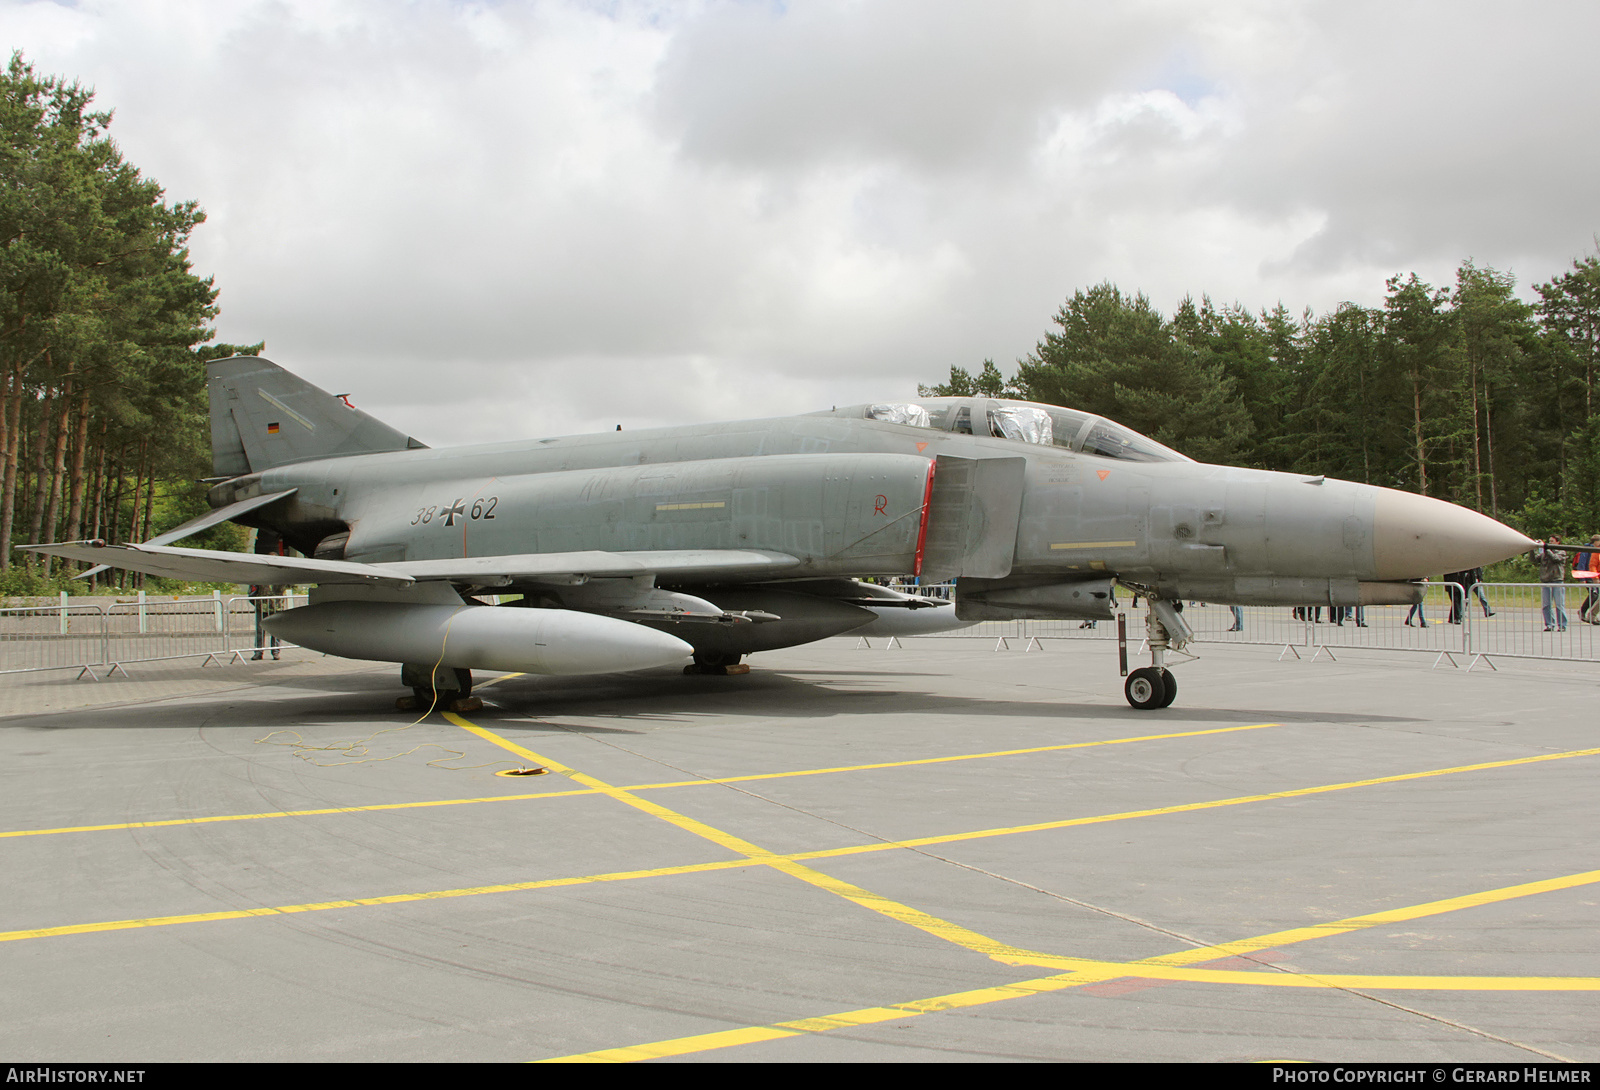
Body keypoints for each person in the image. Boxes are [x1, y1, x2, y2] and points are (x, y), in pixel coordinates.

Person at [1532, 537, 1570, 632]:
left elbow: (1555, 558)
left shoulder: (1561, 552)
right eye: (1549, 541)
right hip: (1546, 580)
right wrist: (1532, 549)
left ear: (1558, 542)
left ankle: (1562, 625)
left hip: (1557, 580)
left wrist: (1546, 548)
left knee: (1559, 604)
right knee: (1546, 605)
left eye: (1552, 541)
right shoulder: (1544, 553)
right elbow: (1534, 560)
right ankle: (1549, 624)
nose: (1550, 543)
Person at [249, 583, 285, 659]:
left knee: (276, 631)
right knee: (260, 631)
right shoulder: (260, 577)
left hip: (277, 607)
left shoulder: (281, 576)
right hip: (262, 607)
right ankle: (259, 652)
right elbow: (252, 591)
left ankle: (275, 652)